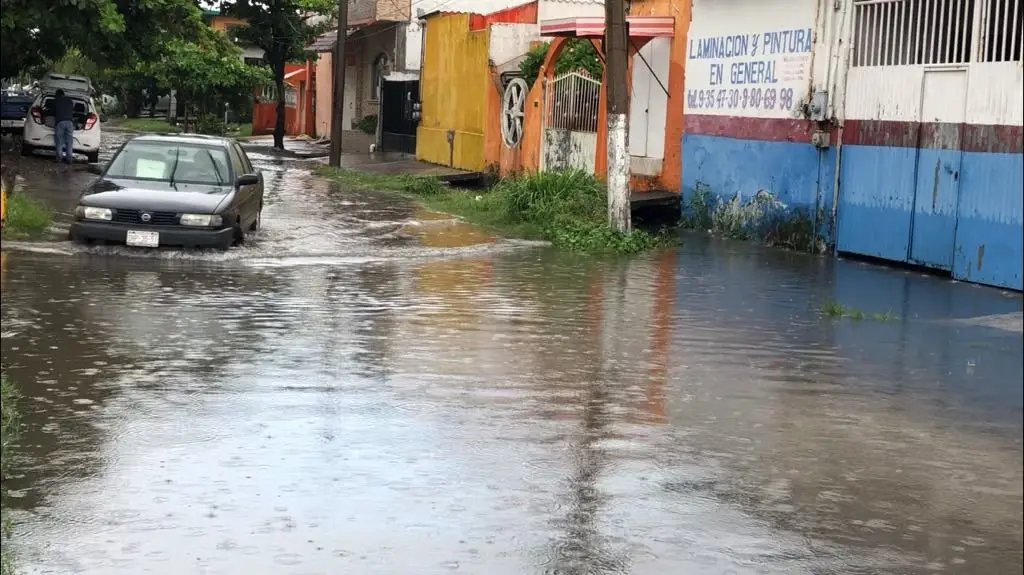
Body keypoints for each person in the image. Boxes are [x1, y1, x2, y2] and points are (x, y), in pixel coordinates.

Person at [52, 89, 75, 164]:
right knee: (69, 142)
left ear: (57, 95)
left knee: (59, 141)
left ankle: (59, 158)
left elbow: (52, 111)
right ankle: (69, 159)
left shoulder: (56, 101)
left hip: (60, 122)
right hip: (70, 122)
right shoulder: (70, 101)